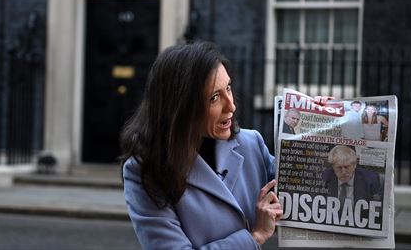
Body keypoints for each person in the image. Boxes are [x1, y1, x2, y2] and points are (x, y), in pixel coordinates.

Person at [120, 41, 332, 249]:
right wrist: (255, 237)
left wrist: (319, 125)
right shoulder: (144, 171)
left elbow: (311, 189)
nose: (231, 105)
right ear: (181, 108)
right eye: (214, 98)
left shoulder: (251, 144)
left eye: (228, 88)